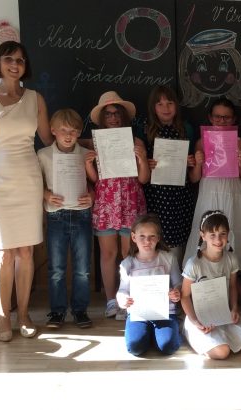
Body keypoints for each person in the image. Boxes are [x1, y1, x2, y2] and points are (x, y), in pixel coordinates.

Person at [0, 41, 53, 342]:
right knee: (3, 253)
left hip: (28, 180)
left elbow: (49, 139)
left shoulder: (35, 99)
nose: (15, 65)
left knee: (26, 252)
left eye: (20, 60)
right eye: (9, 59)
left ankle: (24, 313)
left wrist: (89, 144)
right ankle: (3, 315)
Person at [184, 97, 241, 306]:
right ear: (210, 118)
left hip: (232, 195)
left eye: (226, 117)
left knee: (230, 235)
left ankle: (235, 280)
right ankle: (206, 285)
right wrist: (197, 164)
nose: (222, 121)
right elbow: (194, 178)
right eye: (217, 117)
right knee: (209, 236)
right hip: (209, 194)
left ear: (234, 119)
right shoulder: (201, 142)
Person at [88, 91, 150, 320]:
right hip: (106, 202)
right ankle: (111, 300)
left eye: (116, 113)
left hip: (131, 200)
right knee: (107, 253)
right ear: (102, 118)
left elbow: (144, 179)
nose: (113, 118)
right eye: (108, 114)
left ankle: (128, 300)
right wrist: (88, 164)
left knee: (128, 253)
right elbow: (96, 179)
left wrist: (142, 159)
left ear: (124, 116)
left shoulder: (136, 142)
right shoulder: (96, 143)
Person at [37, 109, 94, 329]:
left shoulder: (86, 154)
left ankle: (80, 310)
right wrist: (46, 194)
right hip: (56, 216)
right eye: (63, 130)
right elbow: (36, 182)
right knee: (56, 269)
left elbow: (97, 183)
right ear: (53, 130)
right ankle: (57, 311)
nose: (68, 135)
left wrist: (92, 196)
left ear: (79, 132)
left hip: (82, 215)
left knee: (82, 269)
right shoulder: (43, 155)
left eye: (73, 131)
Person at [180, 210, 241, 359]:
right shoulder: (194, 263)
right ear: (203, 235)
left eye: (222, 234)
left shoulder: (231, 259)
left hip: (222, 313)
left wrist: (234, 309)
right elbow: (184, 296)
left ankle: (224, 335)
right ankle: (190, 332)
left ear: (228, 234)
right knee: (222, 352)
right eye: (212, 235)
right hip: (199, 316)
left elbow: (233, 287)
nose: (218, 239)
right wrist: (195, 321)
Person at [141, 85, 198, 264]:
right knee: (155, 237)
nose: (166, 108)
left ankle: (176, 277)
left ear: (176, 106)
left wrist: (190, 161)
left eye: (170, 103)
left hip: (179, 194)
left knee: (177, 242)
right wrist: (146, 162)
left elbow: (191, 160)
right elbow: (139, 161)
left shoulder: (186, 129)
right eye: (160, 104)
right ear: (153, 108)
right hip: (156, 195)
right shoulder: (145, 130)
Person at [116, 214, 182, 356]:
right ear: (134, 237)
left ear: (158, 238)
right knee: (135, 347)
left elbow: (178, 283)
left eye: (152, 236)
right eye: (142, 236)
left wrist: (176, 292)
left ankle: (160, 335)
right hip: (138, 314)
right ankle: (150, 334)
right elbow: (122, 290)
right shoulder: (127, 264)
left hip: (165, 312)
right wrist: (123, 300)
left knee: (168, 347)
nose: (147, 241)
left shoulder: (168, 258)